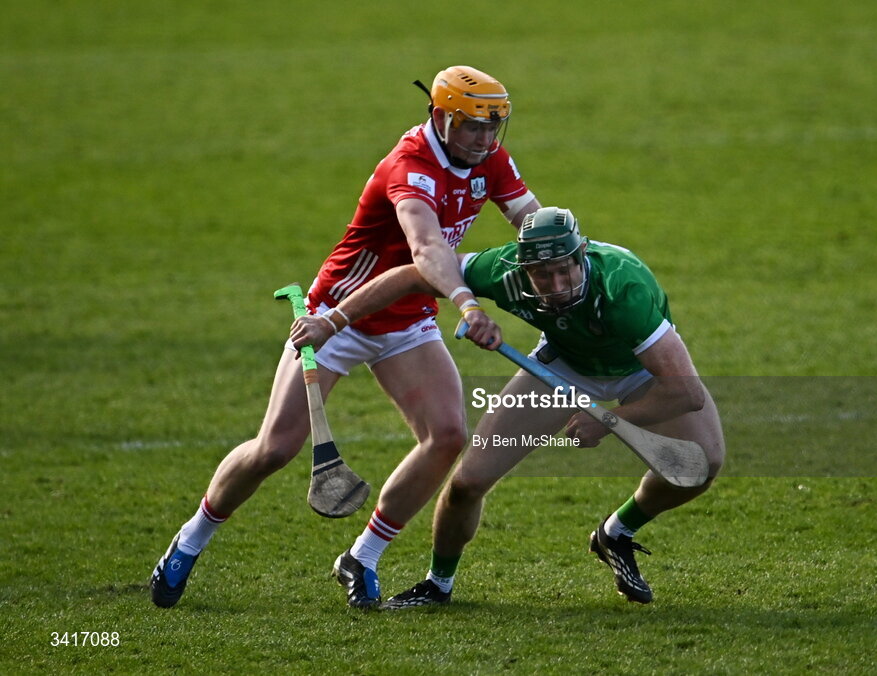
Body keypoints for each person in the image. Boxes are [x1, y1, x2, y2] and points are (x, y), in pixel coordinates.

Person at [150, 65, 541, 609]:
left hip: (406, 320)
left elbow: (530, 217)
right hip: (338, 315)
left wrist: (568, 252)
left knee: (447, 434)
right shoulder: (410, 165)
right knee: (275, 448)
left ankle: (363, 555)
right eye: (472, 126)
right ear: (440, 117)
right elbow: (427, 250)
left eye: (492, 127)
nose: (484, 138)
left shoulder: (490, 159)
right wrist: (467, 304)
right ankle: (190, 540)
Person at [289, 206, 726, 607]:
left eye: (563, 272)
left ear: (582, 256)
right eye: (542, 276)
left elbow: (685, 392)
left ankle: (616, 532)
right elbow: (410, 275)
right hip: (565, 367)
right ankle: (438, 584)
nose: (555, 287)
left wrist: (609, 422)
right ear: (524, 270)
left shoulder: (623, 287)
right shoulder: (504, 271)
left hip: (643, 371)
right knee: (466, 484)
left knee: (699, 467)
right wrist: (333, 321)